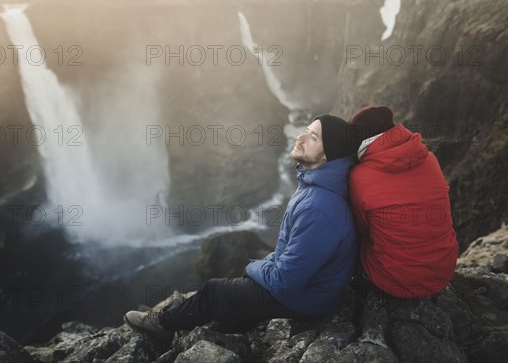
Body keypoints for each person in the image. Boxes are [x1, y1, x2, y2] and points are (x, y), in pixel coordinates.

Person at [124, 115, 361, 334]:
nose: (299, 138)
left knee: (213, 291)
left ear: (327, 155)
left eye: (312, 137)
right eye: (306, 131)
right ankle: (225, 328)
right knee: (236, 293)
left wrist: (253, 268)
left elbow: (287, 282)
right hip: (309, 290)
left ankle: (162, 325)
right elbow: (289, 258)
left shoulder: (319, 208)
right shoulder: (315, 187)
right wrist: (262, 268)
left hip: (307, 300)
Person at [348, 106, 459, 299]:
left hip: (396, 281)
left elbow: (362, 228)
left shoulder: (360, 177)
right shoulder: (429, 158)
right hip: (443, 271)